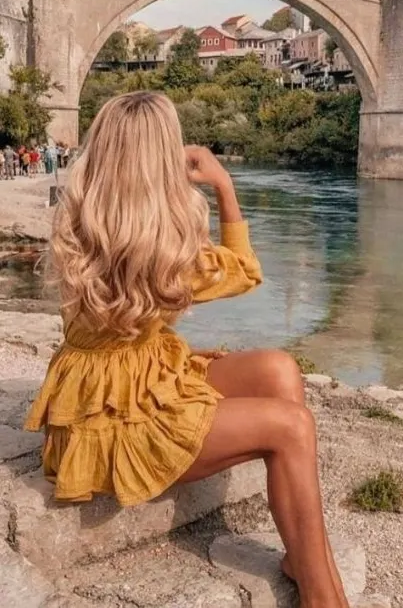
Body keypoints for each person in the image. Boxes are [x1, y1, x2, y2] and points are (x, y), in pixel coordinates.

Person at [25, 92, 349, 608]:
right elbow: (246, 272)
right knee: (292, 426)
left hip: (133, 382)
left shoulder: (84, 219)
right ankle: (322, 593)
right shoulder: (162, 244)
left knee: (279, 369)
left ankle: (302, 554)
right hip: (113, 423)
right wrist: (222, 184)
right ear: (163, 155)